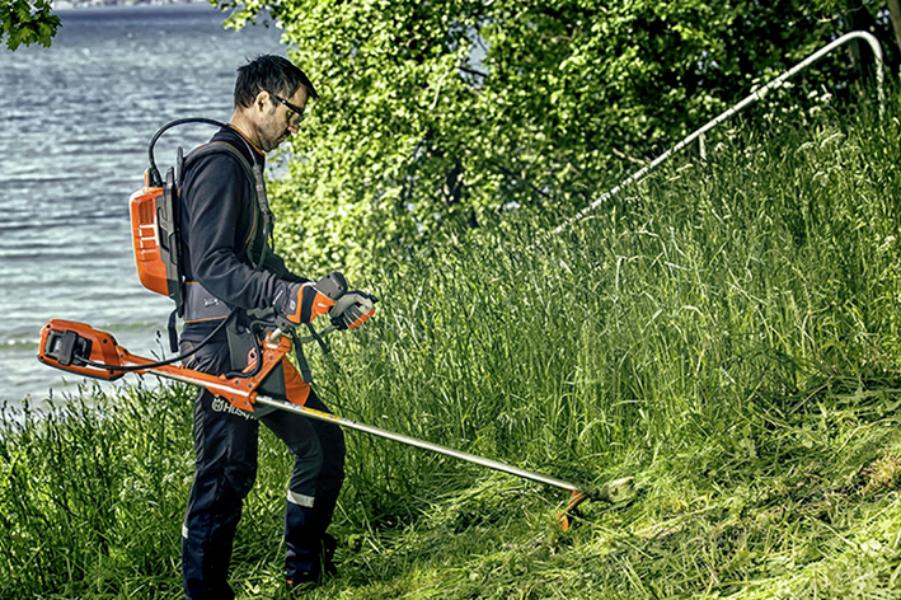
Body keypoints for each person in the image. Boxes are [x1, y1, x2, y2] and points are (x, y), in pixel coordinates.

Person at [175, 55, 368, 598]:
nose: (295, 125)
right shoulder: (219, 164)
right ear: (262, 100)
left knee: (321, 446)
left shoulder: (246, 163)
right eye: (292, 112)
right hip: (217, 347)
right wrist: (285, 296)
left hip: (255, 341)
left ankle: (305, 570)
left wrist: (323, 297)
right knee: (226, 473)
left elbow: (257, 263)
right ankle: (204, 592)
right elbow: (213, 264)